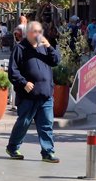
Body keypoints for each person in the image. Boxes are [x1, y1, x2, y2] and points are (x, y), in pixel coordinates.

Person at [5, 20, 60, 163]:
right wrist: (24, 83)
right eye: (35, 32)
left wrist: (49, 47)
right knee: (24, 123)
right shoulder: (20, 49)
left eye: (40, 31)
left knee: (46, 124)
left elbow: (55, 61)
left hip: (46, 94)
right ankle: (12, 147)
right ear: (28, 33)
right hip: (28, 95)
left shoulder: (44, 47)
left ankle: (48, 152)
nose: (38, 34)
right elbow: (13, 71)